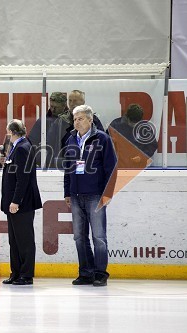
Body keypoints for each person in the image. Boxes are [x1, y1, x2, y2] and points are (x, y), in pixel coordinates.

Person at [63, 105, 117, 287]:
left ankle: (100, 273)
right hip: (76, 195)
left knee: (99, 236)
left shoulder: (102, 139)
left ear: (90, 119)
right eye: (75, 119)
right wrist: (67, 192)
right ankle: (85, 272)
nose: (76, 122)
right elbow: (68, 167)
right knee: (79, 236)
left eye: (80, 118)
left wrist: (108, 193)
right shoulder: (70, 139)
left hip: (96, 195)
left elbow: (112, 168)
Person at [1, 119, 42, 286]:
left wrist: (16, 201)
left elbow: (23, 178)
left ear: (11, 131)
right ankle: (16, 272)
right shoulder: (18, 147)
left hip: (21, 204)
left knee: (24, 240)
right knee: (14, 240)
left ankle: (26, 274)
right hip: (14, 202)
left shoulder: (22, 148)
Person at [47, 90, 105, 169]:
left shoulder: (93, 120)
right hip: (66, 163)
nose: (72, 104)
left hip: (89, 163)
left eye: (75, 101)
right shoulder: (60, 121)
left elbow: (102, 142)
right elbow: (50, 142)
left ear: (83, 102)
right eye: (70, 100)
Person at [107, 103, 158, 168]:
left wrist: (142, 156)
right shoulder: (115, 125)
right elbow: (106, 144)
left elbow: (152, 145)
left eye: (137, 122)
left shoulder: (144, 128)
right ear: (127, 116)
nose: (134, 124)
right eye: (132, 121)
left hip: (138, 168)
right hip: (119, 167)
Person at [28, 92, 68, 167]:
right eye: (51, 106)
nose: (53, 109)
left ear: (64, 106)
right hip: (46, 164)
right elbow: (32, 143)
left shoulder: (72, 121)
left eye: (56, 107)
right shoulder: (42, 122)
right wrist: (41, 159)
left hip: (66, 164)